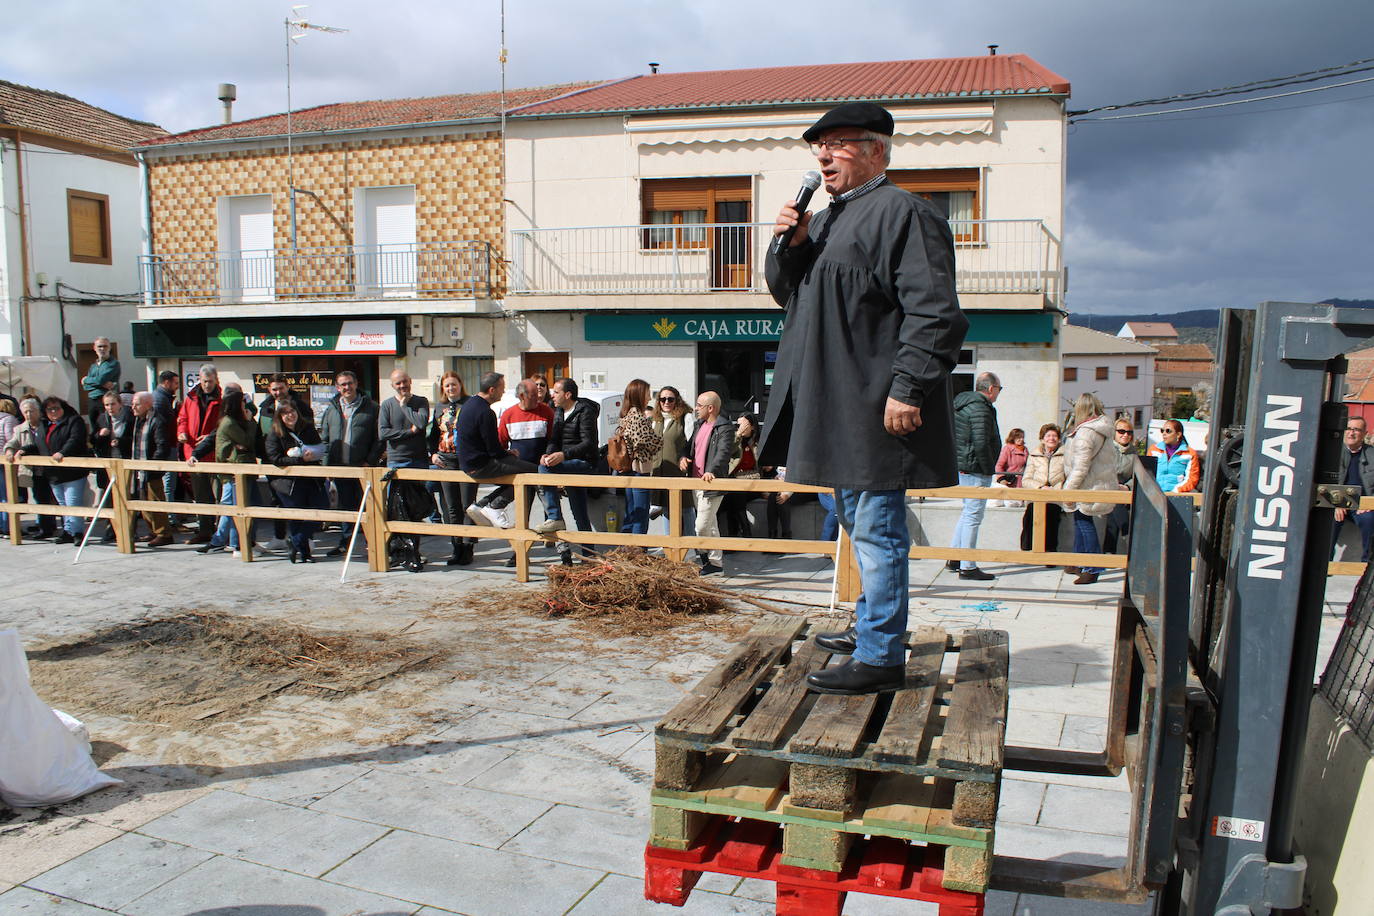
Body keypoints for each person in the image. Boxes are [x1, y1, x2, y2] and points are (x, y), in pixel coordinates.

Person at [762, 100, 967, 695]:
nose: (824, 154)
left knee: (877, 532)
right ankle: (871, 627)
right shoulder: (823, 220)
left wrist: (908, 387)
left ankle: (880, 657)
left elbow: (935, 315)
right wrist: (793, 244)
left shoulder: (906, 214)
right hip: (836, 405)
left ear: (878, 149)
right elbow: (787, 296)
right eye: (818, 146)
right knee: (856, 521)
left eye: (840, 142)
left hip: (877, 407)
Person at [458, 372, 538, 530]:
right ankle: (494, 506)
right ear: (492, 390)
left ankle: (483, 504)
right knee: (533, 473)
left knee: (519, 471)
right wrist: (507, 454)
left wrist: (505, 454)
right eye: (502, 388)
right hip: (481, 465)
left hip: (468, 465)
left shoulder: (469, 405)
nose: (504, 391)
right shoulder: (486, 412)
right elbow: (493, 449)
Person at [535, 377, 601, 564]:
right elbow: (554, 440)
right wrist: (548, 454)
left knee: (543, 469)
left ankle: (555, 517)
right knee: (579, 512)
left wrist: (563, 455)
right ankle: (589, 556)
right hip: (568, 463)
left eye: (556, 392)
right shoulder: (558, 411)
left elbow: (589, 443)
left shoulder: (585, 411)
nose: (552, 395)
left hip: (584, 464)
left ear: (567, 394)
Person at [319, 370, 383, 558]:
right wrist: (326, 467)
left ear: (356, 384)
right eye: (343, 385)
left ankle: (371, 543)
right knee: (346, 506)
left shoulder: (371, 407)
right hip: (340, 467)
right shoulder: (331, 409)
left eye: (349, 383)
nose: (347, 387)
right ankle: (346, 542)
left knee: (367, 506)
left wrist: (369, 461)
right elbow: (325, 439)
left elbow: (379, 439)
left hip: (362, 467)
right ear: (338, 388)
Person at [1061, 393, 1122, 585]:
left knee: (1084, 524)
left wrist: (1068, 490)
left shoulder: (1086, 432)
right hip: (1096, 482)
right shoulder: (1101, 428)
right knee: (1080, 521)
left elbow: (1081, 466)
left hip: (1087, 484)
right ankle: (1078, 561)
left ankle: (1092, 567)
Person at [947, 372, 1002, 581]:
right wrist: (989, 468)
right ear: (990, 388)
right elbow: (980, 442)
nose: (998, 393)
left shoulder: (962, 403)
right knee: (973, 516)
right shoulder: (981, 408)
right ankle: (967, 566)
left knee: (967, 513)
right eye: (999, 389)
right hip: (976, 468)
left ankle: (954, 558)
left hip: (964, 466)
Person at [194, 389, 259, 557]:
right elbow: (247, 441)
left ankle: (219, 541)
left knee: (229, 507)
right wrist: (250, 421)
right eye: (243, 402)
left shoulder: (232, 421)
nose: (246, 405)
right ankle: (239, 545)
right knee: (239, 508)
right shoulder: (230, 423)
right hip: (235, 471)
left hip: (234, 470)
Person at [423, 371, 475, 566]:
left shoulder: (470, 404)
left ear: (460, 385)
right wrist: (432, 454)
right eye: (447, 386)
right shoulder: (439, 407)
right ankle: (457, 548)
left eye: (454, 384)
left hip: (466, 461)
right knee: (451, 508)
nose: (451, 388)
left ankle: (469, 547)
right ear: (443, 389)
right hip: (446, 461)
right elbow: (432, 434)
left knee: (467, 506)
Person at [265, 400, 327, 562]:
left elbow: (319, 447)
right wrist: (299, 461)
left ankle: (295, 541)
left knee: (321, 510)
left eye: (292, 411)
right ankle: (304, 554)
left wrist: (314, 454)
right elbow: (275, 458)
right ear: (280, 416)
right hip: (288, 482)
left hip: (312, 479)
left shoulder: (307, 428)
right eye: (285, 413)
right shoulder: (275, 433)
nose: (290, 415)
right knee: (296, 517)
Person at [682, 391, 735, 575]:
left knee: (701, 525)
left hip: (711, 483)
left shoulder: (725, 428)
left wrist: (711, 470)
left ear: (710, 408)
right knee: (710, 524)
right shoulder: (699, 425)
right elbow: (689, 447)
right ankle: (715, 564)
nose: (696, 409)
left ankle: (705, 557)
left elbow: (723, 452)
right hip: (695, 482)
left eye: (699, 405)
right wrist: (683, 457)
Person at [498, 378, 556, 530]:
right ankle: (519, 551)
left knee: (552, 512)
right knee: (522, 514)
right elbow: (500, 444)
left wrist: (548, 454)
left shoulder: (546, 411)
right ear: (522, 396)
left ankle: (561, 547)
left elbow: (553, 439)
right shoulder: (508, 415)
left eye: (538, 394)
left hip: (542, 470)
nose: (537, 397)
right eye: (532, 395)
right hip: (521, 474)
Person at [31, 397, 91, 544]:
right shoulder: (44, 425)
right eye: (50, 409)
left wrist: (62, 452)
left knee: (72, 502)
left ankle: (77, 532)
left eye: (57, 408)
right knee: (62, 504)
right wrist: (22, 450)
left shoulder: (74, 421)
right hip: (53, 473)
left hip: (72, 472)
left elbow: (75, 440)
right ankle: (68, 531)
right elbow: (38, 446)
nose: (53, 412)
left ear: (63, 408)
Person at [176, 364, 224, 543]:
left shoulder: (222, 398)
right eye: (204, 381)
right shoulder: (191, 397)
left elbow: (224, 424)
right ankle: (204, 530)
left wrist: (210, 437)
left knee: (218, 495)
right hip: (193, 451)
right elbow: (183, 417)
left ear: (216, 380)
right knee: (201, 495)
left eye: (210, 382)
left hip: (214, 452)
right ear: (200, 380)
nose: (207, 385)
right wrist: (181, 432)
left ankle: (221, 532)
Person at [613, 379, 662, 536]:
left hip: (628, 468)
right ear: (639, 394)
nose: (649, 397)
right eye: (647, 393)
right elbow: (651, 443)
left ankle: (628, 548)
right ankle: (638, 550)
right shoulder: (638, 418)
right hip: (639, 468)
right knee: (640, 513)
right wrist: (660, 440)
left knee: (631, 510)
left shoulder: (627, 416)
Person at [3, 398, 56, 539]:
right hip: (34, 471)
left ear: (38, 412)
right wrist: (9, 451)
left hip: (51, 468)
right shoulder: (20, 428)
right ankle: (46, 528)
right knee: (40, 498)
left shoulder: (47, 425)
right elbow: (12, 442)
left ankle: (63, 528)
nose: (28, 414)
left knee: (57, 498)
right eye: (25, 412)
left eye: (31, 411)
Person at [129, 391, 175, 547]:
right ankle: (153, 531)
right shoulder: (138, 420)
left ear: (148, 404)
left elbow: (162, 446)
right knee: (144, 502)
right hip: (139, 468)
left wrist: (152, 465)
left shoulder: (156, 420)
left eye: (137, 403)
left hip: (151, 469)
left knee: (155, 501)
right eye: (133, 403)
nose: (133, 407)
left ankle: (164, 533)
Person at [90, 390, 135, 542]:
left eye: (112, 404)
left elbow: (135, 438)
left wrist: (121, 442)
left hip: (125, 460)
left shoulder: (130, 416)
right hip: (108, 462)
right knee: (109, 497)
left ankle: (129, 529)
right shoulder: (102, 419)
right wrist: (99, 435)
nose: (110, 408)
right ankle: (111, 529)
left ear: (120, 404)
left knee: (127, 496)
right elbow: (92, 440)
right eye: (107, 405)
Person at [1332, 415, 1374, 562]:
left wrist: (1369, 504)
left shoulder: (1372, 454)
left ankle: (1366, 564)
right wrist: (1336, 503)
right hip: (1338, 504)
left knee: (1369, 520)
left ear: (1364, 433)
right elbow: (1322, 481)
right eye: (1349, 429)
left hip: (1363, 506)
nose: (1351, 433)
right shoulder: (1333, 453)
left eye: (1356, 429)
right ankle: (1325, 563)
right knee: (1330, 520)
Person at [1019, 424, 1066, 554]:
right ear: (1042, 438)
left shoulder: (1065, 455)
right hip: (1037, 494)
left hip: (1055, 496)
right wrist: (1040, 487)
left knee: (1052, 515)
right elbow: (1026, 480)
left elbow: (1068, 478)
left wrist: (1055, 489)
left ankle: (1050, 552)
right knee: (1030, 514)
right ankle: (1027, 549)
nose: (1051, 438)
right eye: (1048, 436)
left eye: (1055, 436)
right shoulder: (1034, 456)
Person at [649, 386, 690, 525]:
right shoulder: (655, 420)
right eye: (663, 399)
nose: (666, 402)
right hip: (658, 471)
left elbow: (692, 444)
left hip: (678, 472)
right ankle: (668, 545)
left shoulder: (685, 418)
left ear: (676, 400)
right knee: (666, 509)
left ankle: (691, 545)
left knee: (686, 508)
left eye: (670, 399)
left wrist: (685, 458)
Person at [379, 369, 431, 470]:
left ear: (410, 381)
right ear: (392, 386)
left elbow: (421, 423)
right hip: (396, 461)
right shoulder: (387, 405)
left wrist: (404, 406)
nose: (402, 385)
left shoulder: (421, 402)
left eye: (405, 381)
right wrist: (410, 432)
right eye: (398, 383)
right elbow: (383, 433)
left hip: (419, 460)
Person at [721, 414, 762, 539]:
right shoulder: (736, 440)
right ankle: (740, 534)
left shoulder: (758, 442)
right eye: (737, 425)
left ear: (753, 427)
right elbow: (726, 450)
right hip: (736, 482)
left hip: (754, 483)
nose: (740, 427)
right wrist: (737, 434)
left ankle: (740, 534)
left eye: (743, 425)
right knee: (733, 497)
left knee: (735, 495)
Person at [1103, 418, 1137, 554]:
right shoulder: (1106, 450)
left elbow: (1138, 475)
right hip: (1106, 488)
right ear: (1114, 433)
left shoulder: (1134, 453)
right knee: (1115, 504)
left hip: (1125, 492)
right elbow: (1101, 470)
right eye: (1121, 431)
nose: (1125, 435)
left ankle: (1108, 552)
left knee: (1115, 507)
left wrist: (1127, 487)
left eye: (1129, 432)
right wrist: (1113, 485)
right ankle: (1127, 534)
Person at [152, 369, 182, 525]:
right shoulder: (160, 400)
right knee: (168, 483)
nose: (177, 386)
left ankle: (170, 517)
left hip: (168, 444)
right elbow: (163, 425)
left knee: (168, 483)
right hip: (167, 445)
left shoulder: (162, 398)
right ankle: (170, 518)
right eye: (175, 383)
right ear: (167, 382)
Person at [1147, 420, 1200, 494]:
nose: (1164, 434)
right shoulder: (1153, 449)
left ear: (1178, 434)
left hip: (1178, 495)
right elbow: (1147, 473)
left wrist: (1176, 490)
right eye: (1162, 430)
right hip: (1155, 494)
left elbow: (1192, 479)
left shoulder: (1190, 453)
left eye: (1168, 431)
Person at [81, 337, 120, 426]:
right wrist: (99, 383)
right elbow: (85, 387)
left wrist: (86, 379)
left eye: (105, 346)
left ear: (109, 348)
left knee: (106, 425)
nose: (102, 349)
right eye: (99, 346)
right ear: (94, 348)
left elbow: (100, 380)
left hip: (105, 399)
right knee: (94, 427)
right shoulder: (93, 366)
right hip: (92, 399)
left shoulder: (113, 363)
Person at [993, 428, 1028, 507]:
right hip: (1009, 483)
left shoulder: (1025, 450)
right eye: (1018, 437)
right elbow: (999, 465)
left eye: (1022, 437)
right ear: (1013, 438)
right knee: (1011, 505)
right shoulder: (1007, 449)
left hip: (1021, 483)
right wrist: (1001, 479)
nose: (1021, 439)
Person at [0, 399, 20, 536]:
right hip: (4, 460)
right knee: (6, 494)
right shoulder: (10, 419)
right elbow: (10, 438)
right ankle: (8, 527)